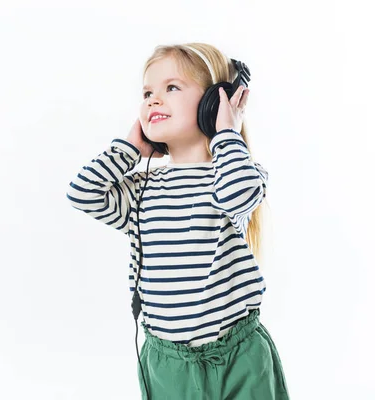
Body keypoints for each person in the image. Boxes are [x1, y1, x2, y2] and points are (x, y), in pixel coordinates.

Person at [66, 43, 290, 399]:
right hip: (169, 362)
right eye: (147, 92)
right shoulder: (142, 191)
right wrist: (129, 150)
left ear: (213, 104)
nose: (153, 100)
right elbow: (83, 193)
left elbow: (239, 194)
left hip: (239, 355)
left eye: (171, 88)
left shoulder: (235, 173)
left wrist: (226, 133)